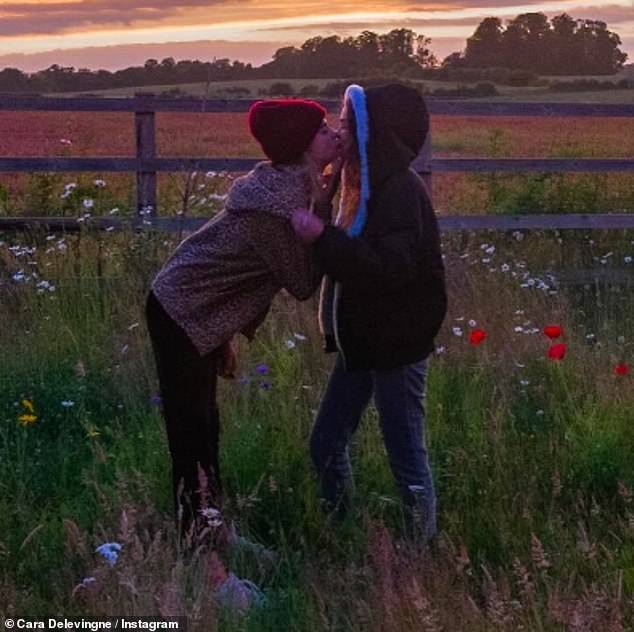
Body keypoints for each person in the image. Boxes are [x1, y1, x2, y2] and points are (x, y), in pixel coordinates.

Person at [146, 98, 342, 538]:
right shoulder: (276, 206)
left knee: (205, 424)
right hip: (179, 308)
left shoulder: (288, 185)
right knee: (191, 429)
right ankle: (199, 540)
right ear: (301, 144)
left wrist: (326, 197)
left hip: (193, 306)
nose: (333, 136)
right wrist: (327, 219)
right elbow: (303, 282)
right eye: (323, 130)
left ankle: (209, 526)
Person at [292, 84, 447, 540]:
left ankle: (418, 560)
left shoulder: (399, 190)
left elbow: (387, 269)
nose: (340, 132)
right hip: (362, 341)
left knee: (407, 459)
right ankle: (342, 534)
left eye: (348, 124)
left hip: (395, 344)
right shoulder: (361, 186)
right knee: (325, 445)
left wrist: (322, 237)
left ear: (373, 133)